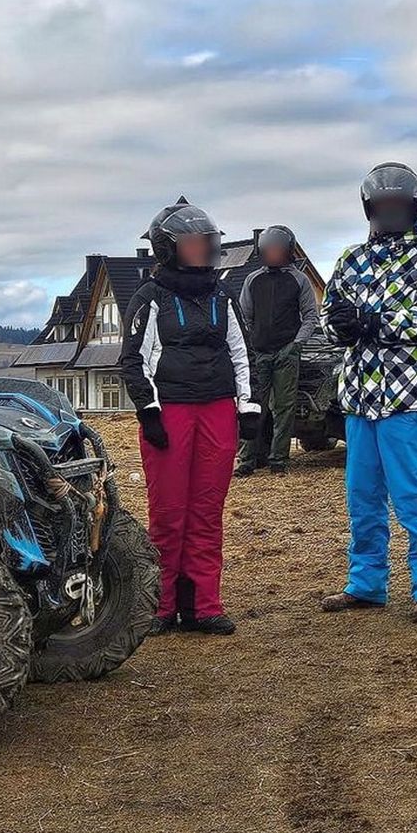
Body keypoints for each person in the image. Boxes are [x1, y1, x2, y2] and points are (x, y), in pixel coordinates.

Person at [319, 163, 417, 623]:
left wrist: (372, 322)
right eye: (383, 206)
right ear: (369, 208)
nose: (390, 213)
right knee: (362, 496)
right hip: (358, 400)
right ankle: (366, 583)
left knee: (415, 495)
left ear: (413, 206)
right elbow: (330, 317)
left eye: (398, 205)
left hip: (406, 399)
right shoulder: (350, 260)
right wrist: (340, 324)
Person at [120, 197, 261, 636]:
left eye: (206, 243)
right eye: (193, 244)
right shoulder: (149, 298)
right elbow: (132, 360)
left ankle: (204, 605)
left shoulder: (223, 297)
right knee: (168, 513)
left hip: (217, 410)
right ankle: (161, 607)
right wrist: (149, 412)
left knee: (206, 510)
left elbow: (242, 354)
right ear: (168, 248)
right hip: (171, 414)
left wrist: (248, 406)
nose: (203, 250)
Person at [235, 225, 319, 476]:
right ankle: (247, 461)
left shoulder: (299, 279)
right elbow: (243, 316)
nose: (272, 253)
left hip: (286, 354)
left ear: (288, 251)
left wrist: (296, 345)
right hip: (258, 353)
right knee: (252, 407)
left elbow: (310, 316)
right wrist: (249, 345)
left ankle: (278, 461)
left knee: (283, 409)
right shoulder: (253, 279)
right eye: (268, 249)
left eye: (277, 249)